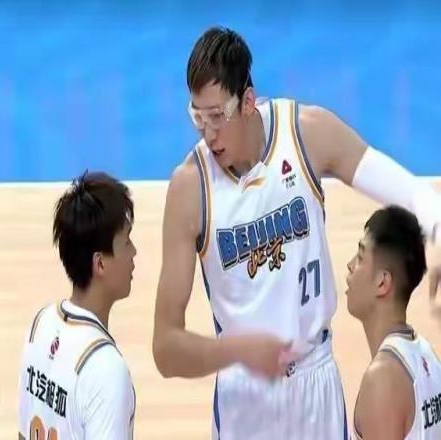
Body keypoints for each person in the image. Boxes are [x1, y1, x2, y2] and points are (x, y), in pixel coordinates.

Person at [152, 26, 441, 439]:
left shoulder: (306, 133)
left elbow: (407, 189)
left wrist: (436, 222)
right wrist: (235, 351)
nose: (208, 132)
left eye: (217, 116)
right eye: (198, 117)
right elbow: (165, 348)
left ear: (247, 101)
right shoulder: (190, 188)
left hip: (314, 381)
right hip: (244, 398)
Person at [18, 171, 137, 439]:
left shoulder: (40, 324)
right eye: (127, 241)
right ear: (100, 263)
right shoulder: (106, 369)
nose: (134, 252)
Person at [346, 205, 441, 439]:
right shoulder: (427, 356)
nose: (350, 265)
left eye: (360, 257)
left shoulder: (383, 379)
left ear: (382, 282)